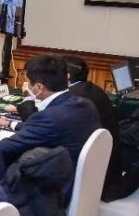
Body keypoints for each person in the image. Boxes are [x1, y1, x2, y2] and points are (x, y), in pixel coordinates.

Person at [14, 56, 125, 200]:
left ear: (67, 76)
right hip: (101, 170)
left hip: (76, 182)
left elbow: (38, 125)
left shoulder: (74, 98)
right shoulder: (91, 90)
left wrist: (28, 99)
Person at [0, 55, 100, 196]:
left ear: (39, 87)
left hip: (54, 191)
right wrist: (11, 124)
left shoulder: (50, 117)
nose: (27, 86)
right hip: (81, 182)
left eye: (28, 82)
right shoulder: (85, 104)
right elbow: (46, 130)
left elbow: (3, 148)